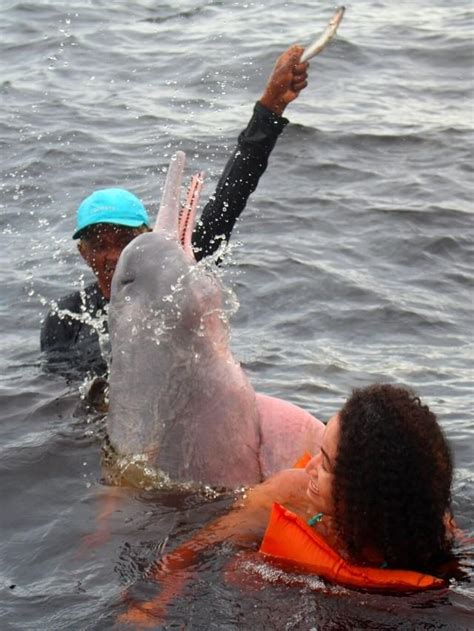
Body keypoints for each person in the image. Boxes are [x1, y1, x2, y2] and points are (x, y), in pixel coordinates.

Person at [40, 46, 309, 377]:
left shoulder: (178, 283)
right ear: (84, 254)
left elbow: (231, 196)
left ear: (147, 240)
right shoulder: (68, 318)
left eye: (124, 240)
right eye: (99, 245)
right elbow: (57, 398)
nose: (112, 256)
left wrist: (271, 105)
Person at [119, 384, 457, 624]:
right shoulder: (288, 496)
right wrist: (151, 605)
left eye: (324, 464)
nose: (307, 466)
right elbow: (193, 551)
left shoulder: (428, 533)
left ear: (362, 495)